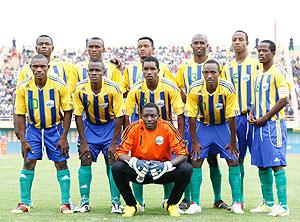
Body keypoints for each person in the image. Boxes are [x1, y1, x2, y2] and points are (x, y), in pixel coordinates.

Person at [11, 54, 73, 214]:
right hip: (34, 129)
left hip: (55, 129)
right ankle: (24, 202)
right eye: (35, 67)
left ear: (48, 67)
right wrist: (23, 140)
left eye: (42, 67)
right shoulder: (24, 87)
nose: (39, 70)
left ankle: (66, 202)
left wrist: (64, 137)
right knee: (29, 161)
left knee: (61, 163)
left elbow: (67, 111)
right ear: (31, 68)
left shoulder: (59, 85)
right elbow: (19, 114)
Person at [124, 56, 184, 209]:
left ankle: (167, 200)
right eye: (146, 69)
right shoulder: (136, 89)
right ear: (142, 71)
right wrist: (128, 135)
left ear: (158, 70)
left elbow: (180, 112)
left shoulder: (169, 87)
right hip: (142, 133)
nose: (149, 72)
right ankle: (138, 201)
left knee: (167, 163)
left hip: (166, 133)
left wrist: (181, 137)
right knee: (137, 163)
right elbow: (126, 113)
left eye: (152, 69)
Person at [176, 34, 228, 213]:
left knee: (213, 160)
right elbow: (179, 89)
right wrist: (194, 103)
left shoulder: (217, 65)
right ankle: (188, 199)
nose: (199, 46)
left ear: (208, 45)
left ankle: (217, 198)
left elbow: (224, 87)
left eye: (202, 43)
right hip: (194, 120)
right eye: (196, 43)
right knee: (191, 158)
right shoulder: (184, 67)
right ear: (191, 46)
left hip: (216, 122)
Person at [112, 102, 192, 217]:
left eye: (153, 116)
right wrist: (134, 162)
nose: (149, 119)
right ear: (141, 116)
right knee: (117, 167)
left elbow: (183, 153)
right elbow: (120, 152)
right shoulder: (134, 127)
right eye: (146, 116)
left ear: (159, 116)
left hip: (161, 172)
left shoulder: (167, 127)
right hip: (140, 171)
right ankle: (132, 205)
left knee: (186, 168)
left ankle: (172, 204)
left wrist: (166, 165)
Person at [186, 59, 244, 214]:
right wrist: (195, 142)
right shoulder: (194, 88)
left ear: (219, 73)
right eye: (206, 72)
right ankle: (195, 203)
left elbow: (232, 116)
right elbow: (191, 116)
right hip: (203, 126)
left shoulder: (227, 87)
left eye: (213, 72)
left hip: (223, 126)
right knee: (196, 160)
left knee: (232, 159)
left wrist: (233, 141)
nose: (209, 75)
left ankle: (237, 202)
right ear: (203, 73)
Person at [72, 58, 124, 214]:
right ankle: (84, 202)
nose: (94, 73)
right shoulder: (80, 88)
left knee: (113, 160)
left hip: (110, 127)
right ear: (87, 72)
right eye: (91, 71)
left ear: (104, 72)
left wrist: (114, 143)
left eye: (97, 70)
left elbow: (120, 116)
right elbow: (78, 115)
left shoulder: (114, 88)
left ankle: (116, 202)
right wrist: (83, 141)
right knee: (85, 158)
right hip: (90, 127)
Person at [249, 40, 289, 217]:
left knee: (276, 164)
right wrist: (251, 113)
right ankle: (268, 203)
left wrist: (264, 118)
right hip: (258, 125)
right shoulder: (258, 74)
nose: (261, 54)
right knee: (262, 165)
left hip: (273, 125)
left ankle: (284, 206)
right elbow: (255, 99)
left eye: (265, 51)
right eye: (259, 50)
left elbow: (284, 100)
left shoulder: (278, 72)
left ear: (273, 53)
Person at [222, 30, 261, 209]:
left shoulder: (256, 64)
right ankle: (239, 200)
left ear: (247, 42)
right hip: (233, 119)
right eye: (234, 40)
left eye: (241, 39)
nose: (237, 42)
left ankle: (268, 201)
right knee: (236, 158)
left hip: (253, 118)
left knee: (263, 159)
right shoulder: (227, 67)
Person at [14, 35, 77, 139]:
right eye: (40, 44)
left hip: (58, 123)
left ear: (52, 48)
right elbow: (18, 97)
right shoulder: (25, 70)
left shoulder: (65, 67)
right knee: (31, 154)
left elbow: (70, 93)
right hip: (34, 123)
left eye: (47, 44)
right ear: (36, 48)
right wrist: (16, 125)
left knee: (59, 152)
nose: (44, 46)